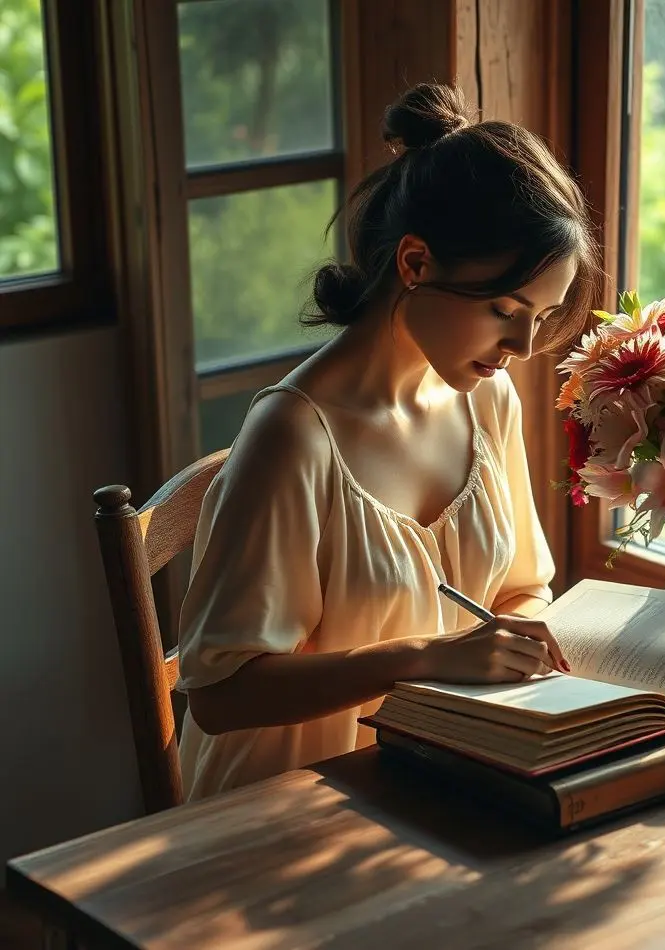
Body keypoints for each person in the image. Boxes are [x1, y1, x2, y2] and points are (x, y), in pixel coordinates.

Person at [174, 82, 602, 800]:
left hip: (435, 784)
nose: (525, 344)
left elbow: (523, 588)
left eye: (544, 314)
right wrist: (421, 658)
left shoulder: (486, 399)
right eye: (504, 308)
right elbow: (221, 696)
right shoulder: (293, 436)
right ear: (414, 264)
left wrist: (514, 644)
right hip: (284, 810)